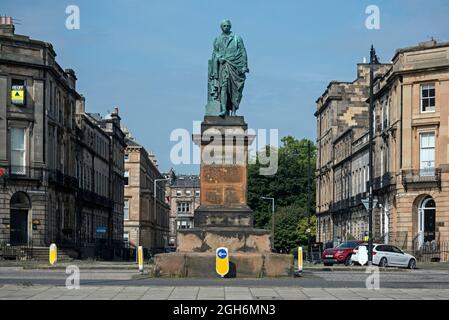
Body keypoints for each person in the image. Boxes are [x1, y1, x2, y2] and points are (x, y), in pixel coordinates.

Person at [208, 20, 249, 117]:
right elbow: (215, 53)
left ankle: (234, 111)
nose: (226, 27)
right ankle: (223, 109)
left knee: (235, 89)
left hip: (235, 66)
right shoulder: (217, 39)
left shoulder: (237, 38)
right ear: (221, 27)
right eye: (224, 26)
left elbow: (243, 52)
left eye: (227, 25)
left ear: (230, 27)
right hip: (224, 66)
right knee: (224, 87)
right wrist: (218, 58)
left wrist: (244, 66)